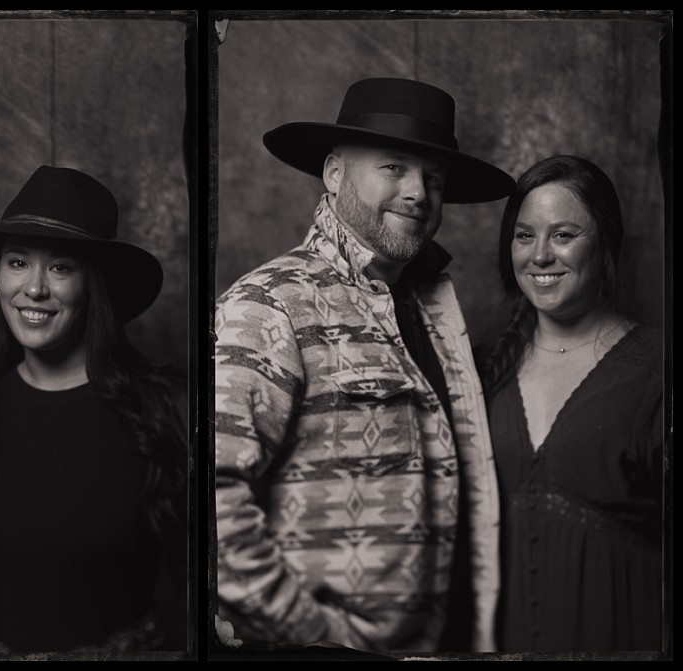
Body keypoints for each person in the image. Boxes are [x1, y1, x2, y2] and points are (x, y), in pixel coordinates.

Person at [214, 77, 516, 653]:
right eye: (394, 167)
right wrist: (314, 637)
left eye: (433, 177)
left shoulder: (436, 314)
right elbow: (214, 502)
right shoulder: (269, 304)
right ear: (333, 174)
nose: (419, 193)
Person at [0, 165, 188, 654]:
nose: (34, 289)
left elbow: (196, 584)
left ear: (92, 285)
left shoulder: (160, 411)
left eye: (60, 267)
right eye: (17, 262)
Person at [475, 155, 664, 653]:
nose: (539, 255)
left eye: (563, 235)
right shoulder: (478, 366)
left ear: (604, 242)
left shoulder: (657, 368)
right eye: (523, 235)